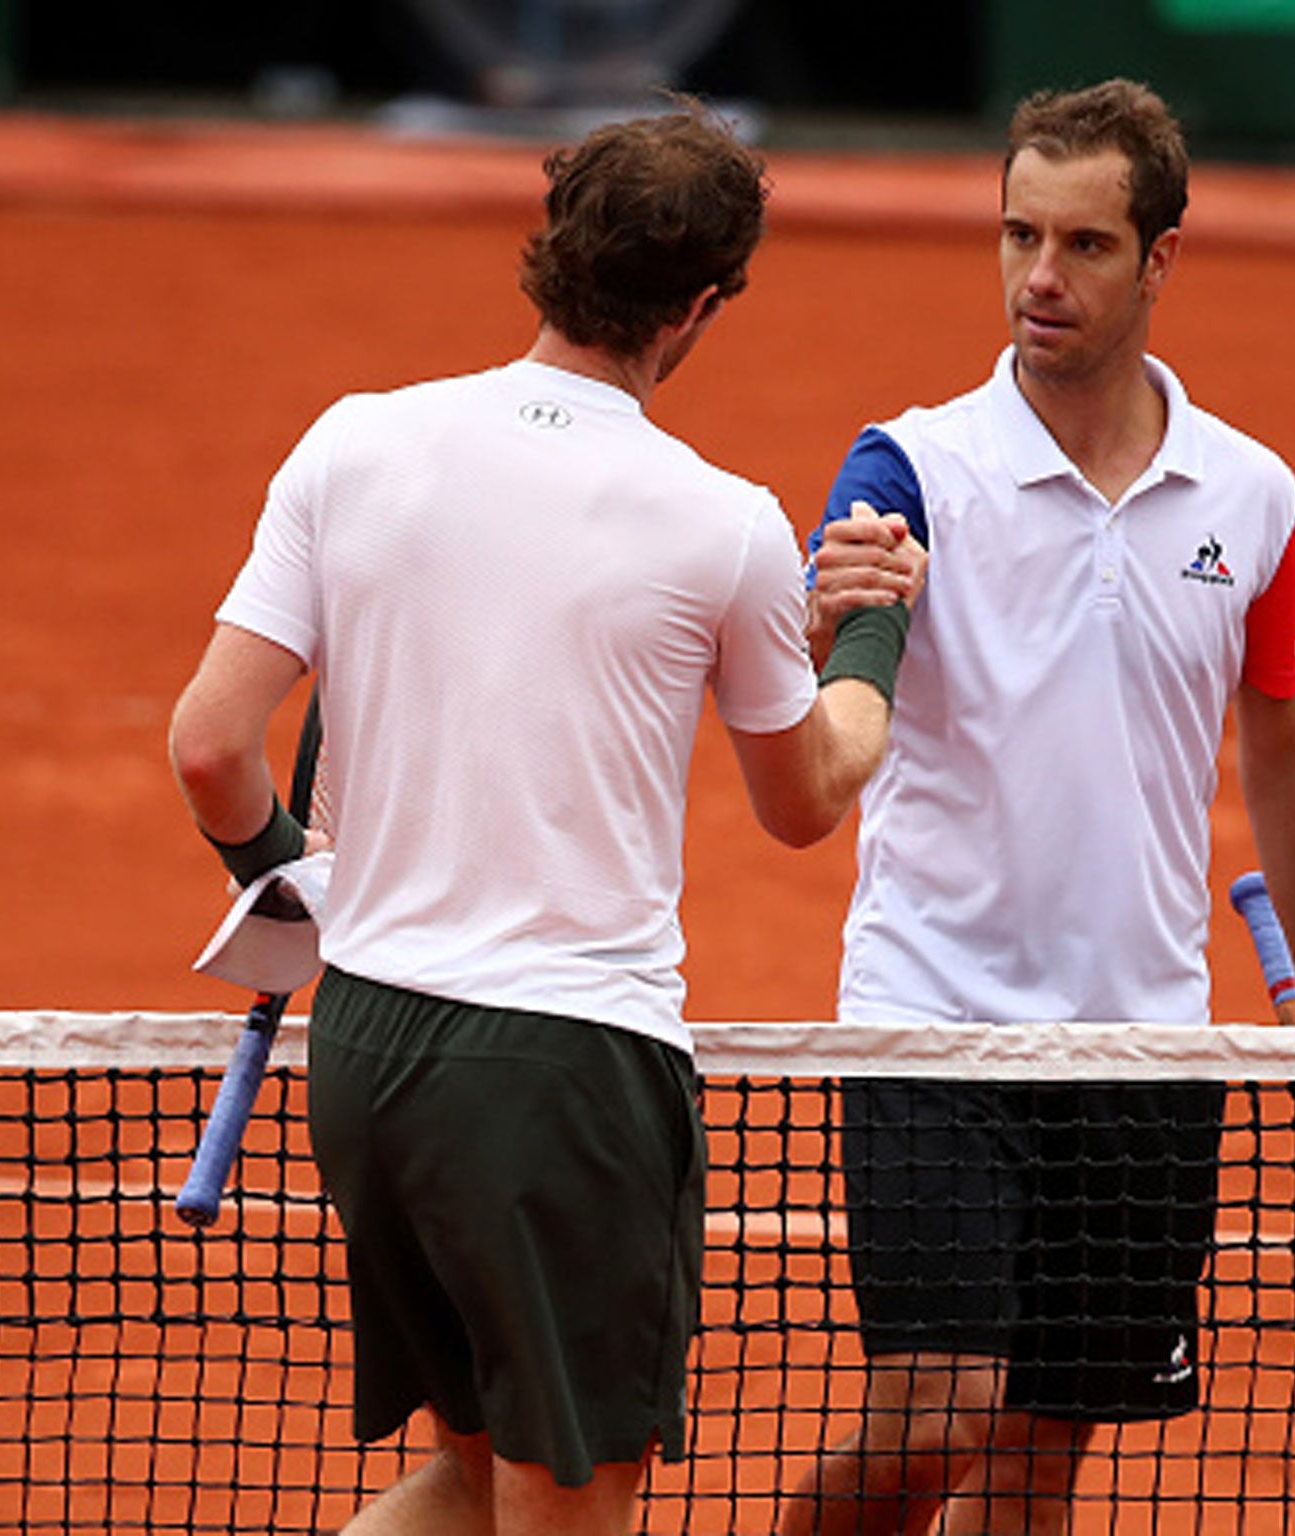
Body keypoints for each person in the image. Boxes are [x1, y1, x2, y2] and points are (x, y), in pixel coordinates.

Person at [168, 102, 923, 1536]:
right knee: (563, 1504)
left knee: (468, 1476)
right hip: (563, 1082)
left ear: (550, 249)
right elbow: (810, 798)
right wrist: (871, 637)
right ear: (699, 305)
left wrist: (295, 890)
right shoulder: (727, 524)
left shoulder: (354, 443)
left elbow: (211, 748)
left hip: (371, 1052)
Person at [781, 79, 1295, 1536]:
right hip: (936, 1020)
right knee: (937, 1422)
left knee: (1041, 1464)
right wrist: (822, 612)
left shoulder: (1256, 495)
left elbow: (1279, 752)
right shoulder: (909, 468)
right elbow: (828, 633)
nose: (1041, 276)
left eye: (1086, 245)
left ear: (1162, 258)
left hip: (1141, 1038)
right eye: (1019, 234)